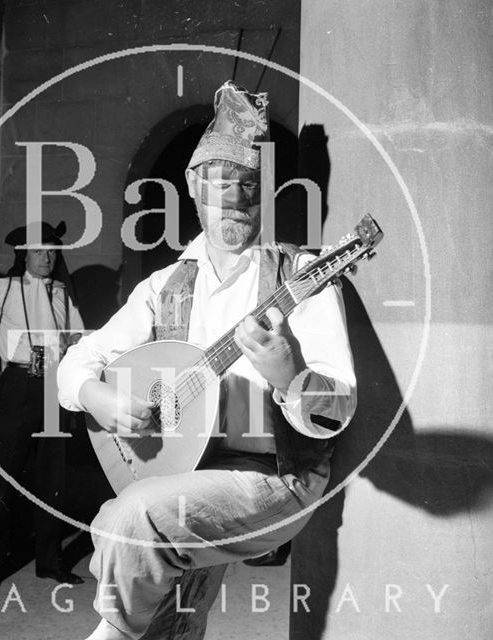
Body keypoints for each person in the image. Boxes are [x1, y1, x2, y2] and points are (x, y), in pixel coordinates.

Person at [57, 80, 357, 640]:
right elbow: (76, 363)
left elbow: (340, 407)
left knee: (133, 520)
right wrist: (101, 397)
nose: (238, 199)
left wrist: (286, 373)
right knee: (171, 618)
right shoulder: (165, 284)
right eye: (223, 185)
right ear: (195, 190)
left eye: (249, 185)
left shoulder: (302, 276)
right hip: (187, 462)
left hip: (274, 475)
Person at [0, 221, 85, 592]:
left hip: (53, 386)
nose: (46, 258)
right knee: (4, 478)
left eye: (51, 251)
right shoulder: (3, 287)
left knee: (52, 479)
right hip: (15, 387)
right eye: (38, 251)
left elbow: (77, 337)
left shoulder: (62, 291)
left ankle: (48, 563)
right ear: (23, 255)